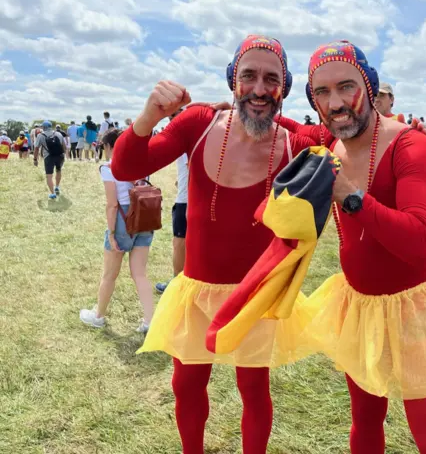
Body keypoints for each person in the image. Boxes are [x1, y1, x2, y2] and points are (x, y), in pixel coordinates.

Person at [110, 35, 324, 454]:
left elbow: (338, 137)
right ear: (232, 80)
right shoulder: (199, 125)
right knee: (187, 385)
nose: (260, 89)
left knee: (254, 388)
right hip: (197, 291)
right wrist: (151, 114)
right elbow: (125, 165)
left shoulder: (295, 143)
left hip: (255, 298)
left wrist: (294, 123)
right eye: (248, 76)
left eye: (271, 79)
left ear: (285, 86)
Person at [299, 40, 426, 453]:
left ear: (369, 88)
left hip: (415, 308)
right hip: (359, 306)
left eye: (346, 87)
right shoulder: (329, 145)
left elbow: (422, 244)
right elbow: (287, 128)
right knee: (365, 424)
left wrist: (351, 197)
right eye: (322, 92)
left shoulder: (410, 144)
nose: (335, 103)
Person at [80, 128, 155, 333]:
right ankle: (150, 320)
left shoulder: (109, 167)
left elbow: (112, 204)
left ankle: (98, 316)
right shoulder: (143, 164)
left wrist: (112, 234)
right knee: (140, 274)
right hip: (146, 218)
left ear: (110, 146)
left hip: (123, 219)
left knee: (109, 275)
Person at [155, 108, 189, 294]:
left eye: (174, 117)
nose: (171, 121)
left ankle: (176, 285)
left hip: (185, 201)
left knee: (179, 243)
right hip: (189, 198)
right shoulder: (192, 139)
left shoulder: (185, 141)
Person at [34, 120, 67, 199]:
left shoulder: (40, 135)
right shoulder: (58, 133)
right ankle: (57, 187)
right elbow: (64, 146)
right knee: (58, 171)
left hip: (48, 157)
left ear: (44, 127)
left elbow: (36, 148)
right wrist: (63, 155)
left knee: (49, 176)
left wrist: (35, 159)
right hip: (59, 155)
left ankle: (53, 193)